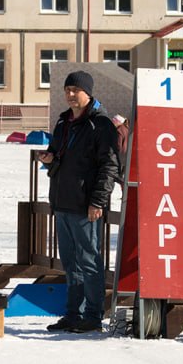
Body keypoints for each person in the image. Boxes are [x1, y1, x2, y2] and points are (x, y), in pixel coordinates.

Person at [39, 70, 120, 334]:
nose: (70, 95)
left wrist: (98, 202)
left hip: (86, 205)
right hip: (62, 201)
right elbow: (58, 151)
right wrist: (50, 157)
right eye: (67, 90)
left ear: (88, 92)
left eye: (76, 90)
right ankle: (72, 314)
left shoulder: (101, 124)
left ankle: (93, 316)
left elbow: (108, 166)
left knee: (89, 261)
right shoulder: (63, 122)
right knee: (70, 262)